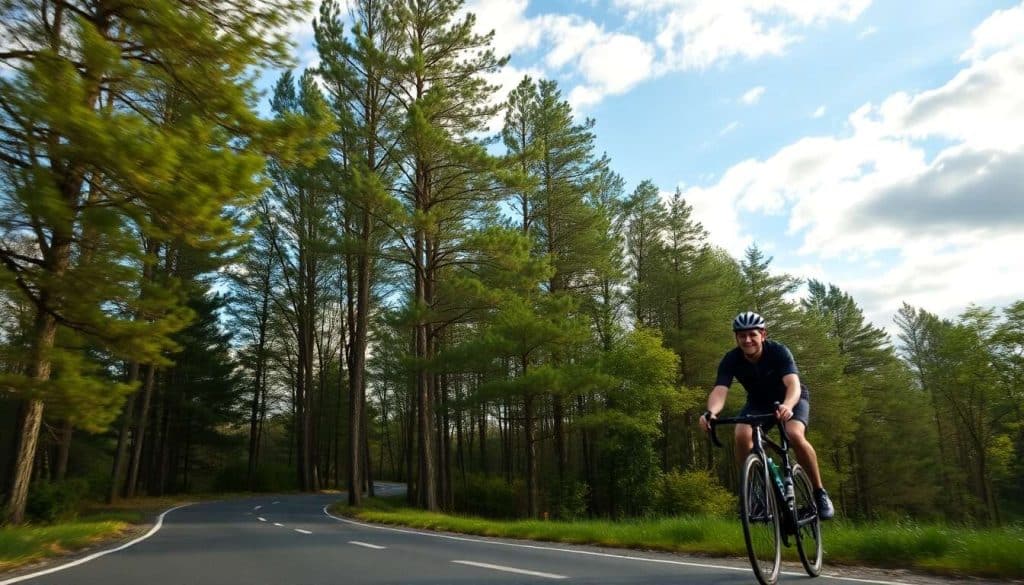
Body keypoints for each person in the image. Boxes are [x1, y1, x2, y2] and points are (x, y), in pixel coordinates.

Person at [698, 311, 835, 519]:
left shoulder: (779, 352)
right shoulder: (731, 359)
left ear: (763, 334)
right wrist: (711, 412)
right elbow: (720, 390)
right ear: (736, 337)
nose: (747, 340)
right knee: (741, 434)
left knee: (794, 434)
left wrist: (788, 405)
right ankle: (754, 495)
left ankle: (819, 492)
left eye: (752, 334)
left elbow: (793, 384)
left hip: (790, 399)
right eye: (741, 336)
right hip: (758, 403)